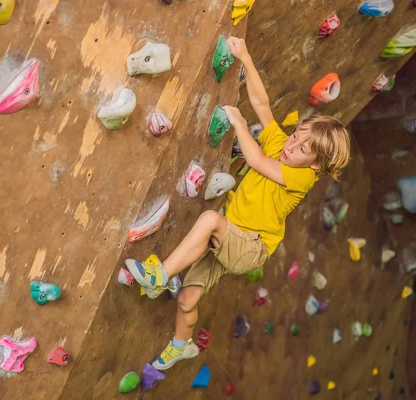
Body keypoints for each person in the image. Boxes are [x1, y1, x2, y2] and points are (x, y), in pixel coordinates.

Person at [124, 36, 351, 371]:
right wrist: (244, 57)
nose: (292, 145)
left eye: (303, 149)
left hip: (250, 246)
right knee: (187, 298)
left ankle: (159, 277)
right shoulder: (282, 145)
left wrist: (240, 125)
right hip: (233, 233)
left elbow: (257, 161)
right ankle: (181, 345)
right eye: (297, 135)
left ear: (316, 165)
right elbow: (262, 105)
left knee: (209, 221)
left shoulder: (304, 178)